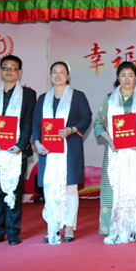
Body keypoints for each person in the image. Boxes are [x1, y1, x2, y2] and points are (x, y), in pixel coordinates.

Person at [94, 61, 136, 243]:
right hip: (115, 151)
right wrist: (110, 140)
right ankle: (114, 226)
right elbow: (98, 123)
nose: (127, 79)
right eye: (123, 75)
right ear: (118, 77)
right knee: (113, 186)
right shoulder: (109, 98)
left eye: (130, 75)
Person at [0, 55, 37, 245]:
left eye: (13, 68)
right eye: (5, 67)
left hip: (16, 152)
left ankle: (13, 232)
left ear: (19, 72)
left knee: (14, 192)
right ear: (0, 70)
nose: (9, 71)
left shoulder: (28, 94)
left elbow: (28, 121)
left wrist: (21, 145)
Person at [33, 61, 92, 244]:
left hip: (70, 149)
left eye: (62, 72)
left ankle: (69, 227)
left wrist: (72, 129)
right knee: (50, 189)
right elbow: (36, 123)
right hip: (48, 151)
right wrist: (37, 143)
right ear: (50, 75)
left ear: (68, 75)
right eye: (54, 72)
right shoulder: (43, 98)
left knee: (70, 188)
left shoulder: (77, 96)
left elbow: (86, 117)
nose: (58, 75)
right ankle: (53, 226)